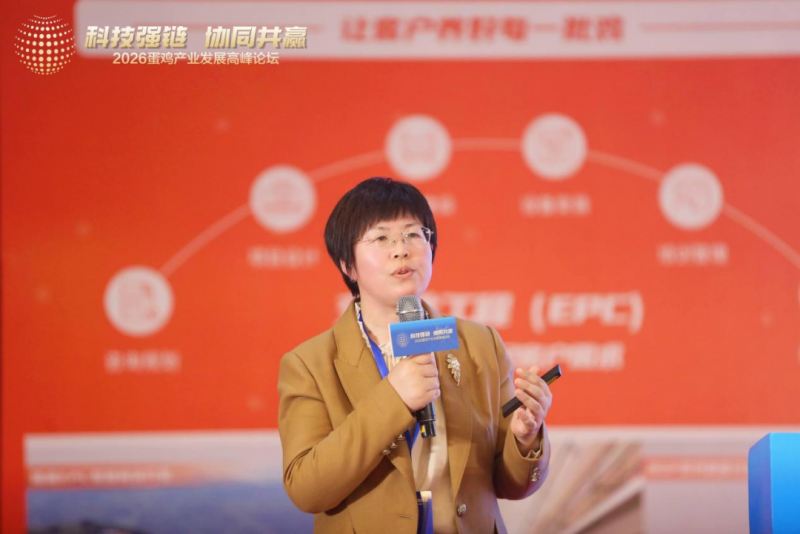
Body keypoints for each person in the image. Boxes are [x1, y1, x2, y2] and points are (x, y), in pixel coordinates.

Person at [278, 177, 553, 533]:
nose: (401, 250)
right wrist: (393, 400)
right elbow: (306, 488)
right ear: (348, 265)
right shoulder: (309, 364)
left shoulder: (479, 344)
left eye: (412, 234)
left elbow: (510, 485)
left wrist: (525, 439)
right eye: (381, 238)